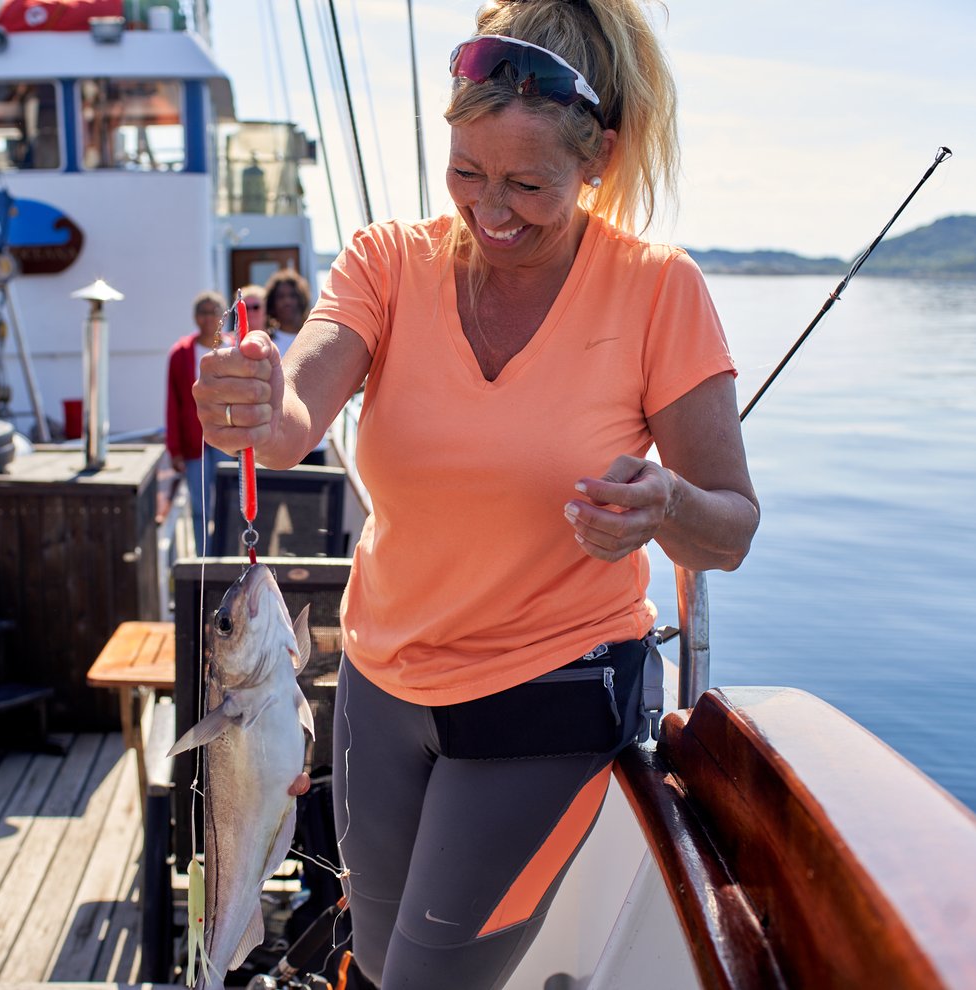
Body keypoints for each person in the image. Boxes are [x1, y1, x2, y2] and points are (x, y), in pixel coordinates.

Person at [194, 1, 759, 986]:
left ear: (599, 161)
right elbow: (290, 418)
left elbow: (730, 530)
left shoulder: (659, 292)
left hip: (548, 702)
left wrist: (666, 504)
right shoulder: (385, 263)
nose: (491, 210)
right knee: (373, 961)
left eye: (527, 184)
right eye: (467, 174)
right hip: (379, 694)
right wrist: (243, 398)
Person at [165, 291, 229, 551]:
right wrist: (175, 449)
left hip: (229, 441)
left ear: (223, 315)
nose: (208, 317)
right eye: (202, 311)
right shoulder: (180, 353)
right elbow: (173, 403)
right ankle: (205, 557)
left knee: (230, 504)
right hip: (196, 442)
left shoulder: (236, 347)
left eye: (213, 311)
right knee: (200, 506)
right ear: (195, 317)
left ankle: (227, 556)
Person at [262, 267, 310, 357]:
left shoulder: (312, 337)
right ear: (272, 303)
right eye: (281, 296)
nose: (287, 301)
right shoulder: (267, 342)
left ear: (301, 300)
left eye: (292, 295)